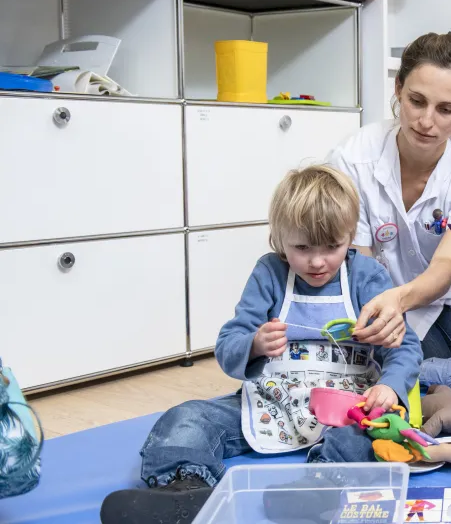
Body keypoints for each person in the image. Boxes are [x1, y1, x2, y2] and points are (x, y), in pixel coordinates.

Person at [99, 165, 422, 523]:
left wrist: (390, 388)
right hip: (272, 402)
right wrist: (253, 344)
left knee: (365, 436)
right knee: (188, 417)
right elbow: (227, 345)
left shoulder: (367, 276)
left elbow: (405, 346)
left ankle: (321, 487)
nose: (317, 261)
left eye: (333, 247)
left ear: (350, 236)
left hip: (347, 409)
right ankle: (185, 490)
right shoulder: (269, 273)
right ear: (279, 240)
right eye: (302, 247)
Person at [328, 32, 451, 366]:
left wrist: (399, 302)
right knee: (398, 354)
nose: (426, 122)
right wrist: (382, 310)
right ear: (398, 89)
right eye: (416, 101)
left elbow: (445, 268)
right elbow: (357, 261)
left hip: (450, 294)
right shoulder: (352, 158)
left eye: (446, 109)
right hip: (373, 291)